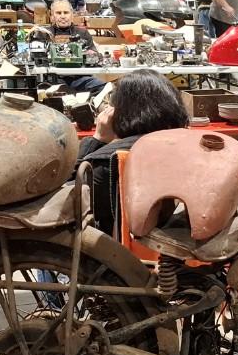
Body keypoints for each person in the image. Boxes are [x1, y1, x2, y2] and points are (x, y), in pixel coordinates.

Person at [76, 69, 191, 234]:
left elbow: (71, 202)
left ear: (119, 113)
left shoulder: (104, 161)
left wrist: (97, 139)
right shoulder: (186, 147)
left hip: (116, 244)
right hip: (172, 232)